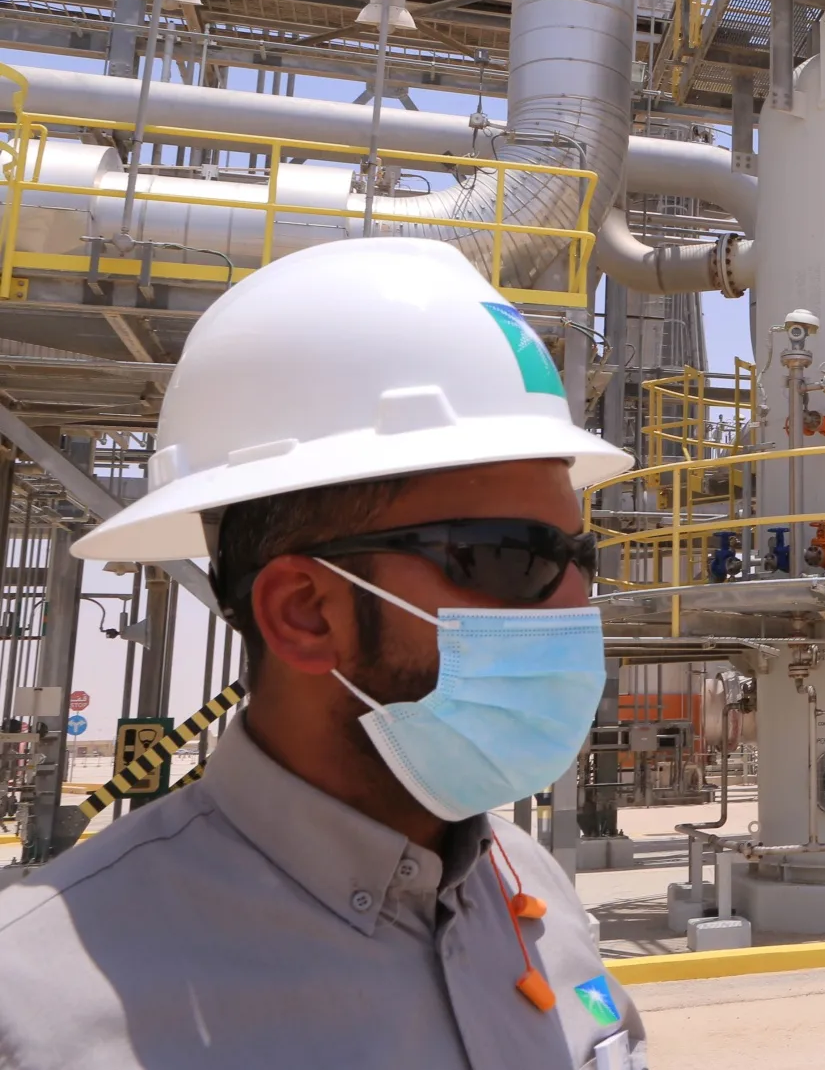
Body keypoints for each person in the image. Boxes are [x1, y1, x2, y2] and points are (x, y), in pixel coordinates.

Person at [0, 239, 645, 1069]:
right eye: (514, 557)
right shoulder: (39, 1012)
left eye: (579, 558)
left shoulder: (531, 888)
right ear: (304, 612)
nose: (574, 605)